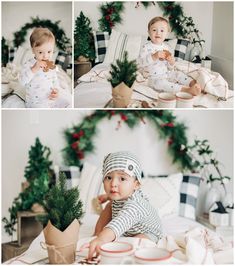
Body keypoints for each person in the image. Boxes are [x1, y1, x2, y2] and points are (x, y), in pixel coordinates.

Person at [88, 151, 162, 259]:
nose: (113, 184)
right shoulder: (122, 194)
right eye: (108, 177)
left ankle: (101, 238)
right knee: (110, 205)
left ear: (136, 185)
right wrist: (107, 197)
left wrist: (103, 239)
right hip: (129, 228)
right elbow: (120, 197)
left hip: (147, 232)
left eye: (122, 179)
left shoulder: (135, 205)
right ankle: (97, 234)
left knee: (138, 243)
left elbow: (119, 222)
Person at [139, 16, 201, 95]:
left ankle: (193, 84)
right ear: (148, 32)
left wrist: (171, 62)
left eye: (162, 30)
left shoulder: (167, 47)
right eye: (154, 30)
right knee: (160, 84)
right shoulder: (146, 47)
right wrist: (154, 56)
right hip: (153, 78)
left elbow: (170, 67)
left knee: (177, 74)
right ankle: (186, 90)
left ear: (167, 34)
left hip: (166, 74)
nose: (158, 33)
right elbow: (141, 63)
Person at [19, 27, 71, 108]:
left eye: (49, 52)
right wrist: (34, 69)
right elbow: (22, 82)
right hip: (36, 102)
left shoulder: (51, 65)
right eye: (40, 52)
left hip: (50, 98)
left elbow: (55, 79)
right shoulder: (28, 65)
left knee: (68, 102)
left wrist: (56, 90)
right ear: (33, 50)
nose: (45, 56)